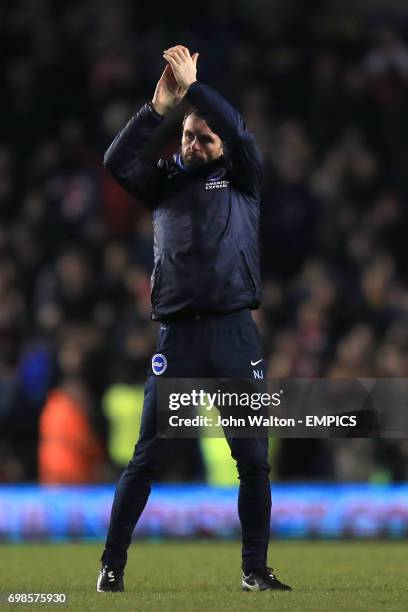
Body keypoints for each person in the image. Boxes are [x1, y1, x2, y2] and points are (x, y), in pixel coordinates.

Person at [97, 45, 291, 593]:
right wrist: (158, 108)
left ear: (223, 144)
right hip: (179, 340)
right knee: (147, 460)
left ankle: (255, 569)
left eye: (204, 136)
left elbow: (240, 128)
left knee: (253, 461)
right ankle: (112, 565)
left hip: (234, 334)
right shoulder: (162, 181)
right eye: (187, 135)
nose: (194, 142)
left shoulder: (243, 177)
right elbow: (116, 161)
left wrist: (194, 86)